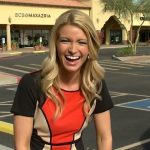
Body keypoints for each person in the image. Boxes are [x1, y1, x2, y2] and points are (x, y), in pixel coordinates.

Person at [11, 9, 113, 150]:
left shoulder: (96, 85)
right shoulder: (31, 84)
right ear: (55, 45)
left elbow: (104, 137)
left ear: (90, 48)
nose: (72, 49)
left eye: (81, 42)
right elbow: (21, 145)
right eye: (65, 41)